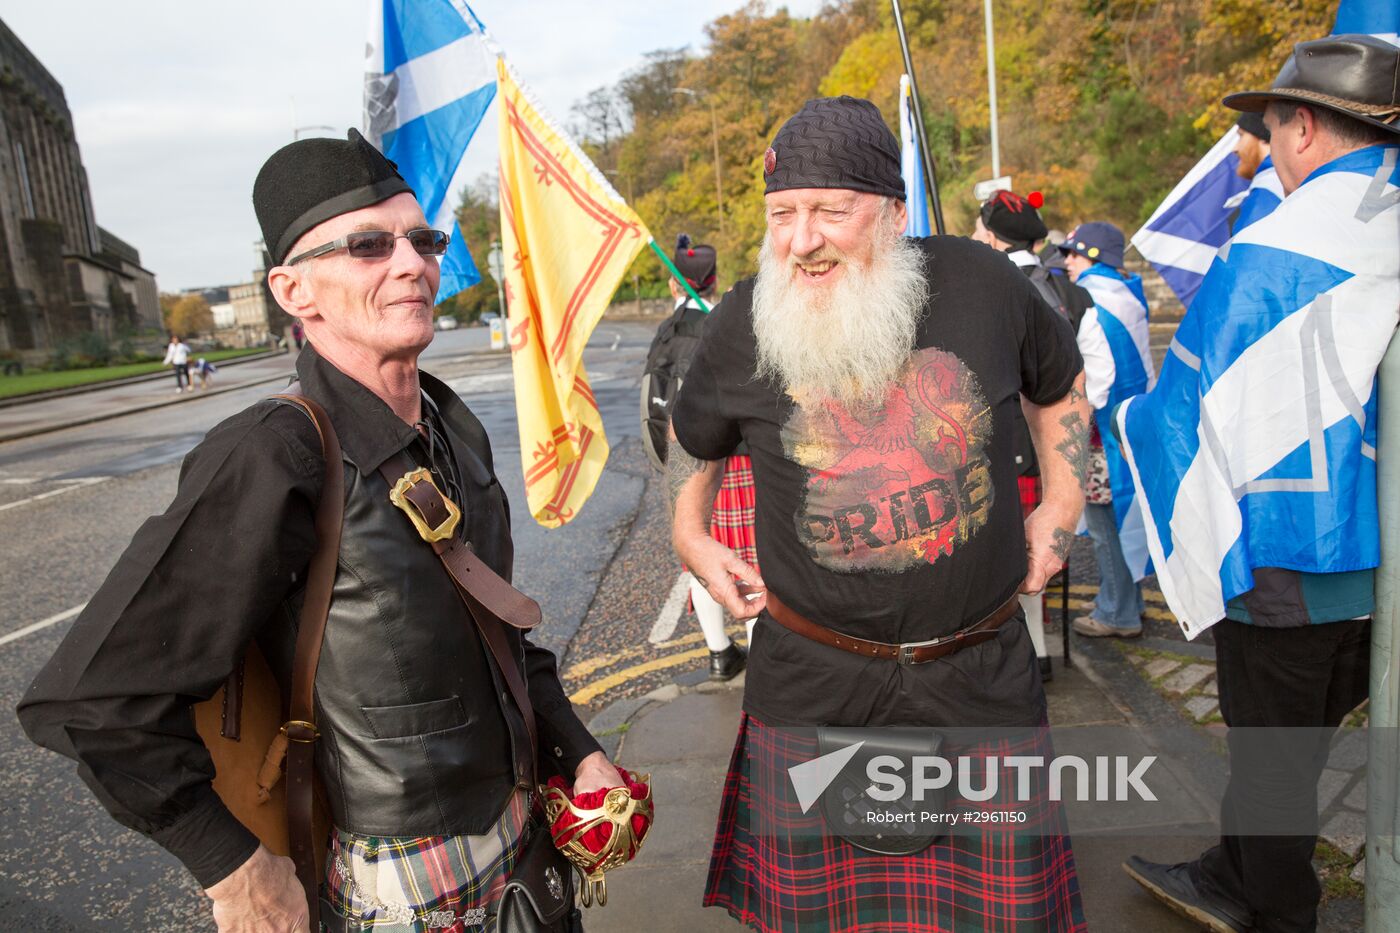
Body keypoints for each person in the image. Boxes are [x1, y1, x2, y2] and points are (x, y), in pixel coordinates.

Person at [18, 129, 622, 932]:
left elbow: (502, 640)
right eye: (369, 245)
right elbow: (91, 698)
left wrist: (578, 747)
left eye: (422, 238)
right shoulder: (276, 452)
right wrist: (232, 868)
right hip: (403, 907)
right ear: (294, 292)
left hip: (533, 879)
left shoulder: (453, 425)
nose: (411, 262)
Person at [669, 96, 1090, 930]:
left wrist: (1065, 501)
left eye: (831, 210)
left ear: (895, 212)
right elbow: (697, 437)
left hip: (982, 678)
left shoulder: (985, 282)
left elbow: (1058, 392)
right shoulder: (745, 318)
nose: (802, 239)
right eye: (783, 214)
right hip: (813, 683)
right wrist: (689, 531)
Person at [1121, 35, 1400, 933]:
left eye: (1273, 132)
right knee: (1294, 747)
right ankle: (1228, 870)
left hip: (1286, 559)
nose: (1271, 154)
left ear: (1307, 128)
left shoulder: (1275, 246)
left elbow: (1190, 412)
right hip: (1378, 550)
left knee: (1274, 759)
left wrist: (1125, 423)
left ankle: (1279, 909)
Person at [971, 189, 1094, 681]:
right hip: (1061, 446)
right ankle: (1039, 655)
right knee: (1040, 549)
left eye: (981, 230)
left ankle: (1028, 658)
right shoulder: (1073, 291)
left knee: (1012, 557)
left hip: (1007, 448)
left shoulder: (986, 289)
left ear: (995, 237)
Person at [641, 233, 750, 680]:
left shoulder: (663, 336)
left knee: (702, 555)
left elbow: (651, 405)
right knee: (750, 562)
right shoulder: (727, 323)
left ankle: (719, 653)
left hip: (685, 462)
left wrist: (666, 465)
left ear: (674, 285)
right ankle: (758, 656)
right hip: (738, 462)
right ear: (715, 279)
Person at [1058, 222, 1155, 638]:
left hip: (1102, 436)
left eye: (1074, 255)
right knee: (1126, 521)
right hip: (1132, 426)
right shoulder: (1126, 293)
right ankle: (1130, 602)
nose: (1066, 263)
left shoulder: (1094, 300)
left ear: (1094, 258)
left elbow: (1096, 378)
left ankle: (1117, 612)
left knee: (1104, 527)